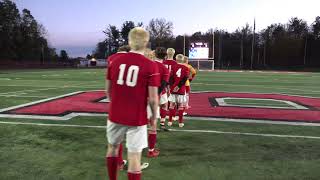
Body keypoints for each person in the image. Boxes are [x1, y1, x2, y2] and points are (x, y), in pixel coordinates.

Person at [105, 27, 160, 180]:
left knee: (112, 148)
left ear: (129, 41)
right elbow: (153, 99)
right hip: (137, 117)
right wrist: (153, 117)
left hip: (115, 114)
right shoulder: (150, 65)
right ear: (146, 42)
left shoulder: (114, 61)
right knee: (134, 157)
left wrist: (117, 104)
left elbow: (108, 91)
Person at [146, 47, 170, 158]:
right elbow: (163, 84)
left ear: (154, 54)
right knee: (153, 124)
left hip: (141, 97)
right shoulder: (164, 69)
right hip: (154, 98)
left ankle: (136, 146)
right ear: (165, 56)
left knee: (139, 124)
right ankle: (150, 150)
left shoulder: (147, 64)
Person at [168, 54, 190, 128]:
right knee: (180, 106)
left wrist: (172, 87)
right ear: (183, 59)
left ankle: (170, 121)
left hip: (173, 89)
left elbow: (170, 78)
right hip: (181, 89)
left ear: (176, 59)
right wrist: (178, 86)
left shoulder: (173, 67)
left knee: (172, 105)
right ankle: (180, 123)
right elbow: (185, 79)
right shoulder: (186, 68)